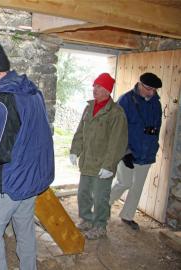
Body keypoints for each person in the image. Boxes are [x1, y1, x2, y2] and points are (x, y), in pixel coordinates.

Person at [0, 39, 54, 270]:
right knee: (24, 227)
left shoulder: (4, 101)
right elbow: (33, 134)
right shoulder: (33, 92)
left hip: (12, 181)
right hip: (33, 177)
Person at [69, 73, 128, 240]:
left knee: (101, 197)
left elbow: (118, 142)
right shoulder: (89, 108)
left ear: (108, 91)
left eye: (100, 87)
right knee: (83, 193)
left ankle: (100, 226)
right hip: (87, 161)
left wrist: (109, 166)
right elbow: (80, 131)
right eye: (95, 85)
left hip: (103, 163)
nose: (95, 89)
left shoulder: (116, 113)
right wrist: (75, 150)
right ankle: (87, 220)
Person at [109, 73, 162, 231]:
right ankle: (101, 207)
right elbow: (116, 128)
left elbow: (156, 127)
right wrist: (125, 152)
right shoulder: (125, 101)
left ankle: (127, 215)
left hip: (147, 152)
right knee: (124, 182)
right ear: (140, 84)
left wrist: (153, 146)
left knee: (137, 186)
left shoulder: (155, 103)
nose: (152, 93)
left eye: (154, 90)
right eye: (149, 89)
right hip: (128, 152)